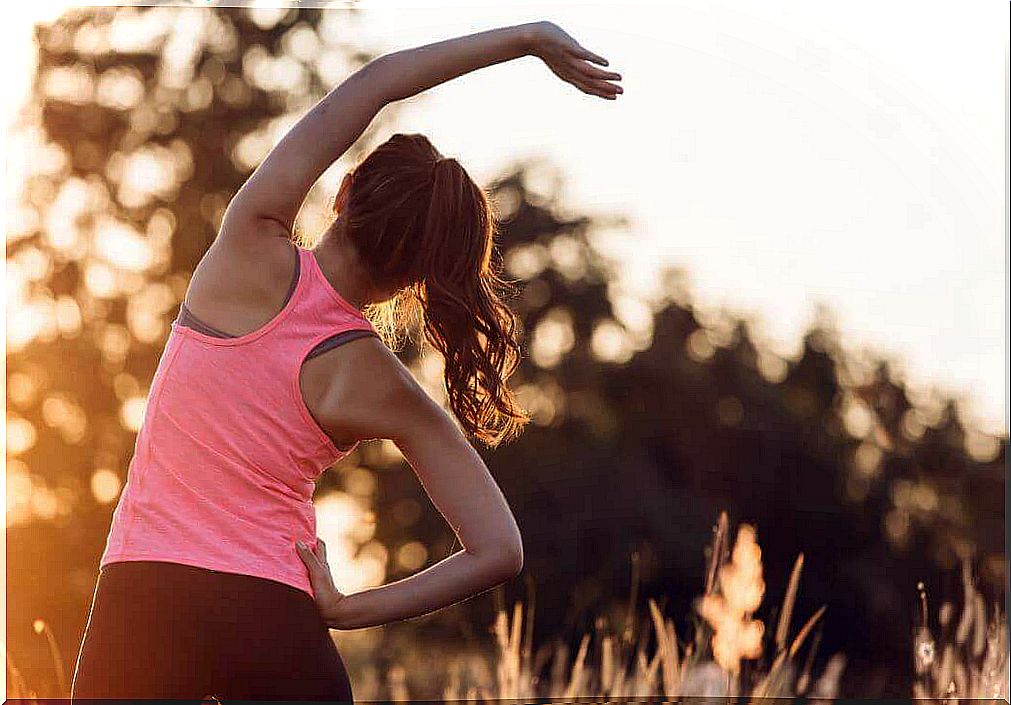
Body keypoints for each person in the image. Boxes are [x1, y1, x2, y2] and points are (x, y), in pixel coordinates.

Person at [70, 18, 621, 702]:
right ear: (419, 275)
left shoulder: (249, 245)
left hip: (145, 592)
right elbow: (498, 549)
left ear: (345, 191)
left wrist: (526, 40)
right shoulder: (382, 383)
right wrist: (346, 608)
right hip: (275, 615)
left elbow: (377, 83)